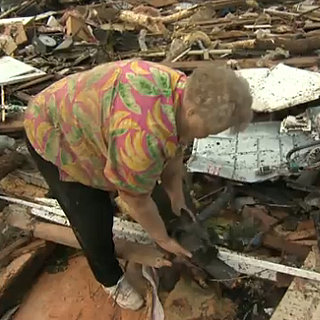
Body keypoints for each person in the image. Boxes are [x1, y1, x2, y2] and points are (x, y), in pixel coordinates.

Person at [24, 59, 252, 310]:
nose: (210, 135)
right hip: (55, 131)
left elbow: (178, 142)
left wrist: (175, 191)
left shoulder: (183, 89)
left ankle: (176, 229)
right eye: (210, 130)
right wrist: (162, 239)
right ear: (192, 112)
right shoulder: (142, 140)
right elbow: (134, 199)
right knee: (93, 214)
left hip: (93, 118)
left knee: (153, 187)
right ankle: (109, 278)